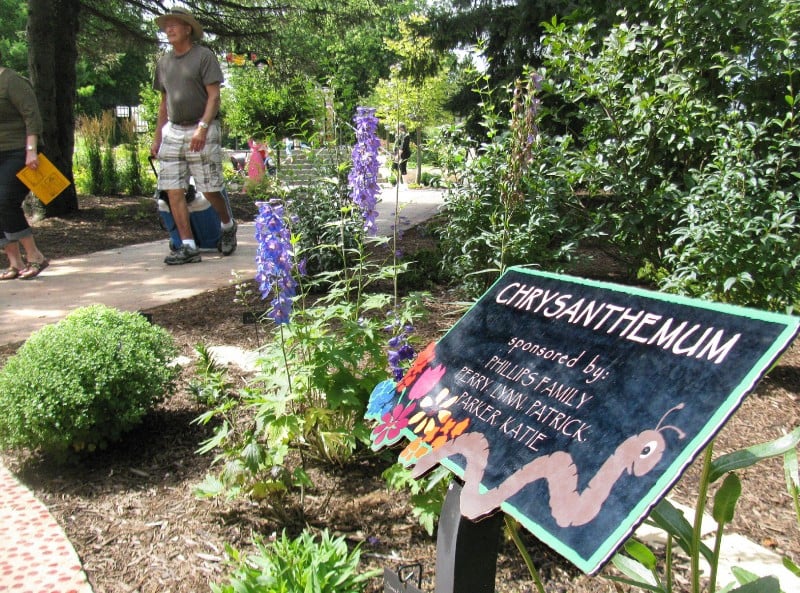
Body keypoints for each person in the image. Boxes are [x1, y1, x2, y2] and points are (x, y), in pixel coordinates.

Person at [151, 7, 237, 265]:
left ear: (188, 29)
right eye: (166, 26)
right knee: (172, 189)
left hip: (204, 126)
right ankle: (188, 246)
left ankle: (227, 224)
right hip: (174, 130)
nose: (169, 29)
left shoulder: (203, 56)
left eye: (174, 25)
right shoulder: (164, 63)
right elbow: (164, 103)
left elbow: (214, 96)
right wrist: (157, 138)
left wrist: (202, 127)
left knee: (209, 188)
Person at [0, 52, 49, 280]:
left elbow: (32, 116)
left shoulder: (11, 81)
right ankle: (15, 263)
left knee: (6, 200)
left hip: (18, 151)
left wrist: (31, 150)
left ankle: (35, 255)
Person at [392, 123, 412, 188]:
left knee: (402, 168)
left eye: (397, 128)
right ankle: (399, 183)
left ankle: (405, 185)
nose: (396, 130)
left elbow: (403, 146)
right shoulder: (399, 135)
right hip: (397, 154)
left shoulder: (406, 135)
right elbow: (396, 144)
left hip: (403, 154)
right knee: (394, 168)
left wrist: (398, 155)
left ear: (401, 128)